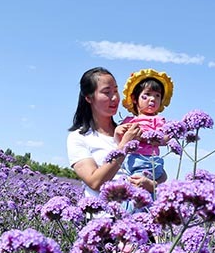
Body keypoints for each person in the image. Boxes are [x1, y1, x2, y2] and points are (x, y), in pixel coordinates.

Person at [67, 67, 157, 201]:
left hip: (137, 215)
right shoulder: (78, 137)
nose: (114, 97)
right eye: (107, 92)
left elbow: (156, 169)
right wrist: (125, 145)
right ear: (89, 98)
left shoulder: (129, 129)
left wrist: (153, 185)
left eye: (115, 90)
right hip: (104, 217)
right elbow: (95, 182)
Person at [115, 68, 172, 196]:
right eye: (147, 95)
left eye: (157, 96)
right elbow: (120, 144)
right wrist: (117, 132)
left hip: (147, 162)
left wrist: (146, 138)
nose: (152, 99)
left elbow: (165, 139)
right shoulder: (129, 120)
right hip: (129, 163)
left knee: (139, 193)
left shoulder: (157, 120)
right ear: (135, 99)